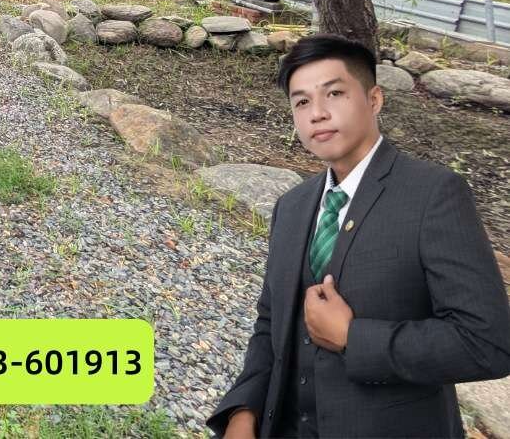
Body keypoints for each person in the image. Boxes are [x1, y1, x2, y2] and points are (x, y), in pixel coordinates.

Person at [208, 33, 510, 438]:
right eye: (301, 102)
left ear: (374, 100)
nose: (317, 113)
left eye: (334, 94)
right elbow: (270, 323)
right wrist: (243, 411)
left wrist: (353, 338)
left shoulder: (432, 195)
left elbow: (488, 342)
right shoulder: (292, 207)